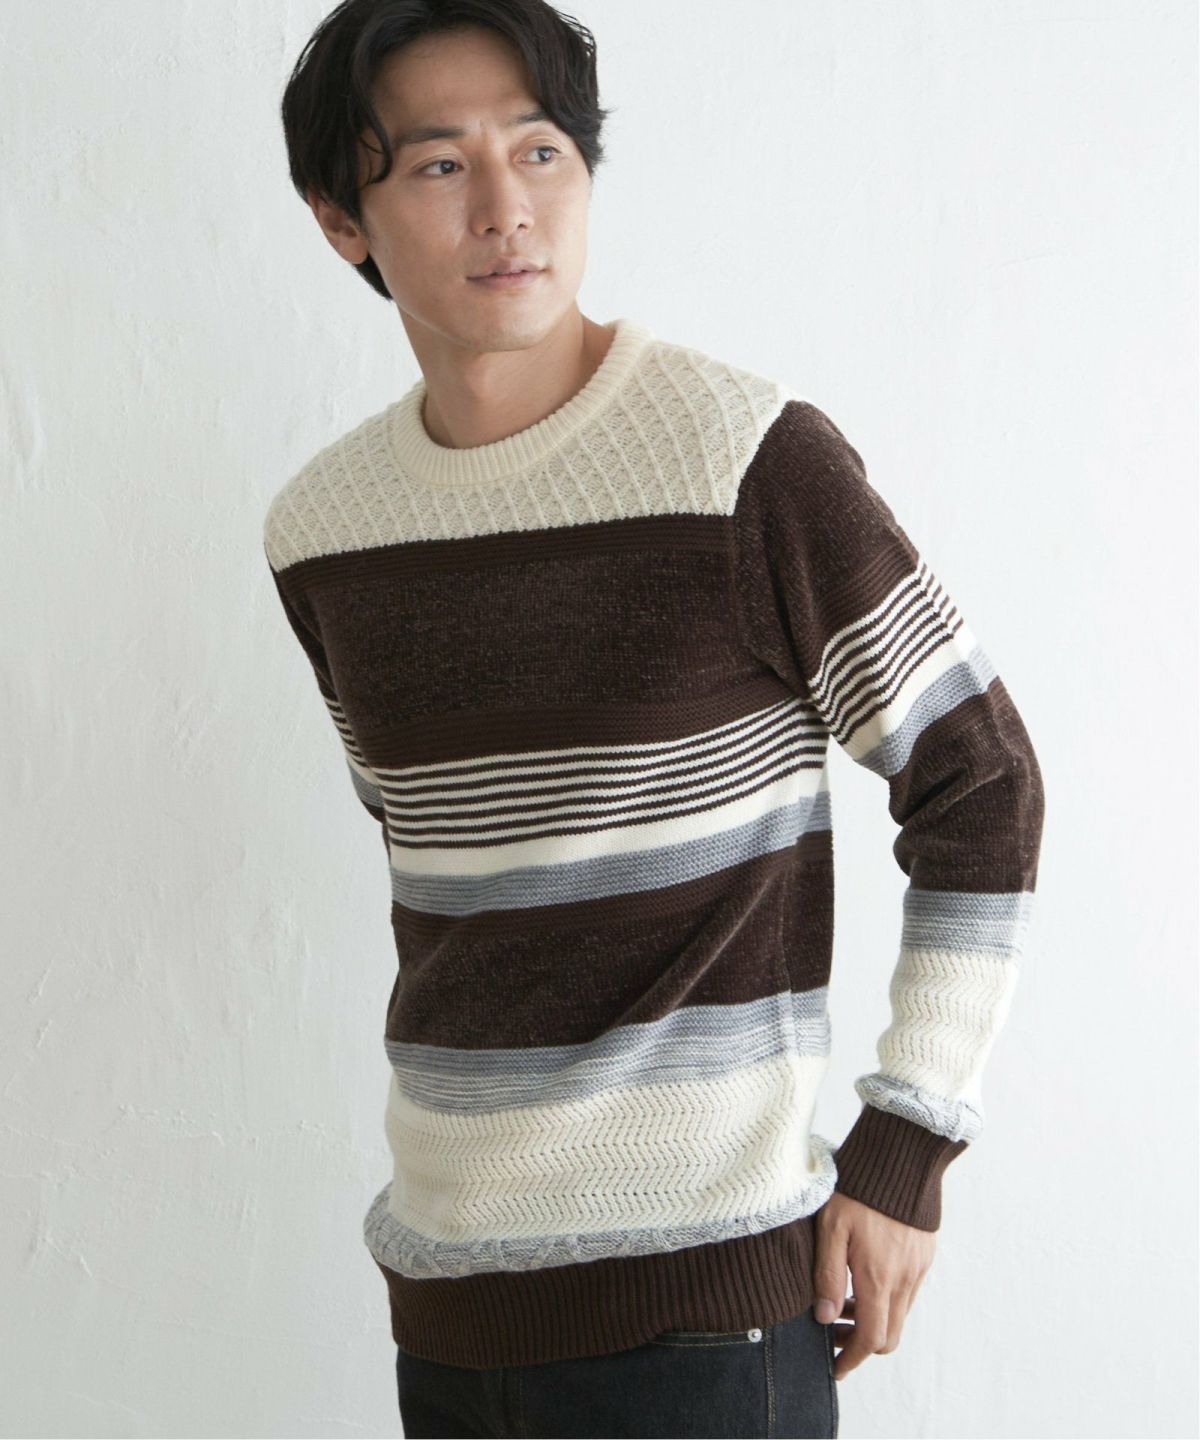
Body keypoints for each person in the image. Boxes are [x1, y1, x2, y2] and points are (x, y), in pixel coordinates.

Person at [266, 2, 1045, 1435]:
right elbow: (448, 869)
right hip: (446, 1309)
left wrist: (907, 1148)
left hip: (708, 1317)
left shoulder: (742, 460)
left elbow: (981, 782)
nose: (507, 207)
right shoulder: (324, 533)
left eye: (541, 151)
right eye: (438, 165)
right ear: (340, 221)